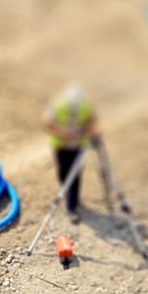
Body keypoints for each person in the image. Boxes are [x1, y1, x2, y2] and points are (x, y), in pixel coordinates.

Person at [47, 83, 101, 214]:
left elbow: (93, 123)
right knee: (63, 172)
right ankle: (66, 191)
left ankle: (72, 204)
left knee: (75, 175)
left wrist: (86, 132)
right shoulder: (58, 106)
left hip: (78, 147)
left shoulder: (86, 108)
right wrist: (63, 133)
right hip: (61, 146)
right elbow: (48, 124)